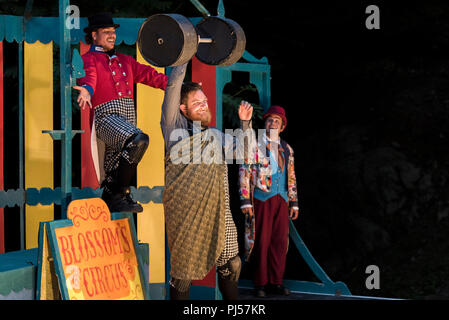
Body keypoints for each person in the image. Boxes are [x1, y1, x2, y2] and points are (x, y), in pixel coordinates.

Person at [160, 63, 254, 300]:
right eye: (197, 103)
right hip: (186, 215)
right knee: (182, 275)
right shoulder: (173, 129)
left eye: (205, 101)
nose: (204, 106)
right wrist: (184, 54)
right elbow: (173, 88)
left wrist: (245, 124)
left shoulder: (214, 136)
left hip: (219, 213)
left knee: (231, 265)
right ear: (183, 109)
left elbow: (244, 152)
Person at [73, 12, 168, 213]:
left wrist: (180, 87)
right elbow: (89, 78)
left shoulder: (125, 60)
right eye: (106, 32)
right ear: (94, 35)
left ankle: (114, 195)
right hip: (106, 117)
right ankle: (117, 193)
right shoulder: (89, 58)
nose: (112, 35)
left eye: (113, 32)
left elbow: (151, 76)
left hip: (127, 116)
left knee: (118, 166)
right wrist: (87, 91)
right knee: (138, 140)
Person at [239, 105, 299, 298]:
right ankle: (260, 283)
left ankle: (276, 282)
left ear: (282, 127)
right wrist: (245, 200)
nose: (273, 123)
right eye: (270, 120)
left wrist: (294, 201)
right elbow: (244, 172)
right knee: (261, 241)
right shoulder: (254, 145)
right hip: (261, 198)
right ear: (265, 123)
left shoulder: (287, 149)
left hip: (281, 199)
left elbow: (291, 176)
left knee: (280, 242)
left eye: (277, 121)